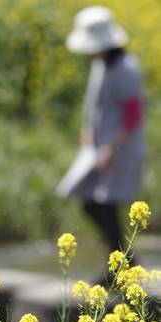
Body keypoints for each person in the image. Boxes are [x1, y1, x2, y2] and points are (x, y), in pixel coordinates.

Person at [59, 6, 145, 265]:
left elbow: (134, 113)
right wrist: (88, 130)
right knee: (90, 201)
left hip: (120, 149)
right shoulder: (102, 63)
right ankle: (122, 261)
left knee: (103, 205)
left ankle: (122, 263)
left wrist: (112, 147)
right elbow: (99, 104)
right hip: (100, 149)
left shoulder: (126, 68)